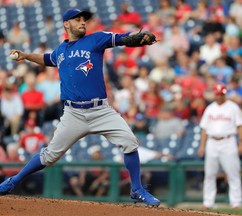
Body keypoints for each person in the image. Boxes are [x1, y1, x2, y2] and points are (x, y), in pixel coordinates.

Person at [0, 8, 160, 207]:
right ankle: (14, 180)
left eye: (84, 19)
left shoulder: (96, 39)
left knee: (129, 141)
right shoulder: (61, 50)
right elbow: (47, 58)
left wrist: (138, 37)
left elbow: (122, 38)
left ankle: (137, 189)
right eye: (77, 19)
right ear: (67, 24)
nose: (83, 22)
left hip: (100, 110)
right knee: (49, 155)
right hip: (73, 114)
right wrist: (25, 55)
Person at [197, 83, 242, 209]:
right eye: (217, 94)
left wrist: (241, 142)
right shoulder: (210, 108)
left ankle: (236, 202)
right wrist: (202, 146)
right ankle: (208, 202)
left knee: (233, 173)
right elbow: (204, 129)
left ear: (225, 94)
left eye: (221, 94)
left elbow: (240, 125)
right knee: (209, 174)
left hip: (228, 141)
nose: (219, 96)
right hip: (212, 142)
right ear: (214, 94)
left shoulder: (233, 107)